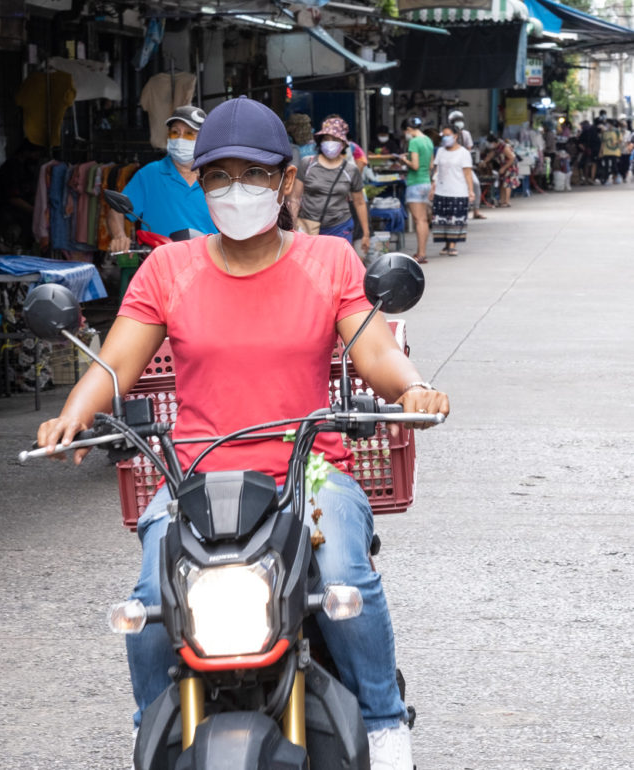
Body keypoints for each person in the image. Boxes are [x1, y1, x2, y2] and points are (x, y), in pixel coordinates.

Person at [36, 95, 449, 770]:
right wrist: (72, 415)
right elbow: (114, 364)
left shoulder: (329, 261)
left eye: (254, 174)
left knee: (346, 577)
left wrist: (410, 389)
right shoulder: (166, 270)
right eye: (219, 173)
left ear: (286, 179)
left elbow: (372, 352)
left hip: (310, 470)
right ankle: (154, 733)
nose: (238, 189)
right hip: (195, 477)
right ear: (198, 181)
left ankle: (382, 724)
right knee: (146, 600)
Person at [106, 105, 216, 253]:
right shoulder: (149, 174)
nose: (180, 139)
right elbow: (116, 211)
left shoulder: (217, 176)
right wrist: (119, 236)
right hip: (159, 263)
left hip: (208, 262)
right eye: (175, 133)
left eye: (189, 134)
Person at [289, 115, 370, 254]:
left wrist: (366, 234)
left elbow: (360, 202)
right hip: (309, 226)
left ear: (343, 144)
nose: (330, 143)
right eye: (326, 139)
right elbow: (295, 198)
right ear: (320, 141)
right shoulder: (307, 164)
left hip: (340, 227)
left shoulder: (351, 170)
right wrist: (291, 227)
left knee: (337, 269)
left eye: (335, 139)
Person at [430, 125, 476, 258]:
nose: (445, 138)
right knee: (442, 219)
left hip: (458, 191)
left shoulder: (463, 153)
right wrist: (433, 187)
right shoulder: (440, 151)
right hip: (441, 190)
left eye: (448, 135)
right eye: (443, 135)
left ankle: (452, 245)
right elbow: (437, 171)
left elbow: (468, 173)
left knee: (455, 219)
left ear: (456, 136)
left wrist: (471, 191)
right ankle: (446, 244)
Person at [399, 117, 433, 264]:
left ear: (408, 129)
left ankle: (421, 254)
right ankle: (422, 252)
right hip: (426, 182)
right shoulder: (428, 140)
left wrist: (404, 160)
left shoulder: (414, 142)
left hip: (415, 183)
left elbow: (415, 166)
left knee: (418, 220)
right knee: (424, 220)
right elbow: (431, 165)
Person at [448, 110, 486, 219]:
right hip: (451, 166)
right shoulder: (448, 134)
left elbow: (469, 150)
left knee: (476, 184)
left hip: (465, 166)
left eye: (460, 120)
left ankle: (476, 211)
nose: (459, 123)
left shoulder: (466, 134)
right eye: (456, 121)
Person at [482, 134, 519, 207]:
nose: (489, 145)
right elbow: (490, 155)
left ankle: (507, 202)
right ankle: (502, 201)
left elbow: (512, 158)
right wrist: (484, 162)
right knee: (502, 184)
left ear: (494, 142)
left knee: (507, 183)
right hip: (503, 166)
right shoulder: (496, 148)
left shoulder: (504, 147)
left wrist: (504, 168)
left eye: (490, 143)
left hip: (510, 166)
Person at [599, 119, 622, 185]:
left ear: (611, 124)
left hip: (614, 151)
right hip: (606, 151)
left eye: (607, 123)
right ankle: (606, 179)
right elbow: (602, 142)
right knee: (606, 166)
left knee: (614, 165)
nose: (607, 125)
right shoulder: (605, 132)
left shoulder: (616, 131)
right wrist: (601, 152)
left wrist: (615, 142)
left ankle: (616, 177)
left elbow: (620, 140)